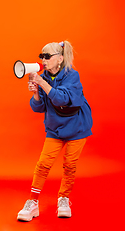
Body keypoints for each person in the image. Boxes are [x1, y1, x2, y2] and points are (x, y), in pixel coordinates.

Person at [17, 40, 93, 222]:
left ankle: (63, 199)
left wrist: (41, 83)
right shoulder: (44, 76)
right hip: (55, 128)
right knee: (43, 165)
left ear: (59, 59)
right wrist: (35, 92)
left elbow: (61, 99)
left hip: (77, 126)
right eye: (41, 56)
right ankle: (33, 203)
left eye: (47, 56)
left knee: (70, 166)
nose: (43, 60)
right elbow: (39, 107)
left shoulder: (72, 75)